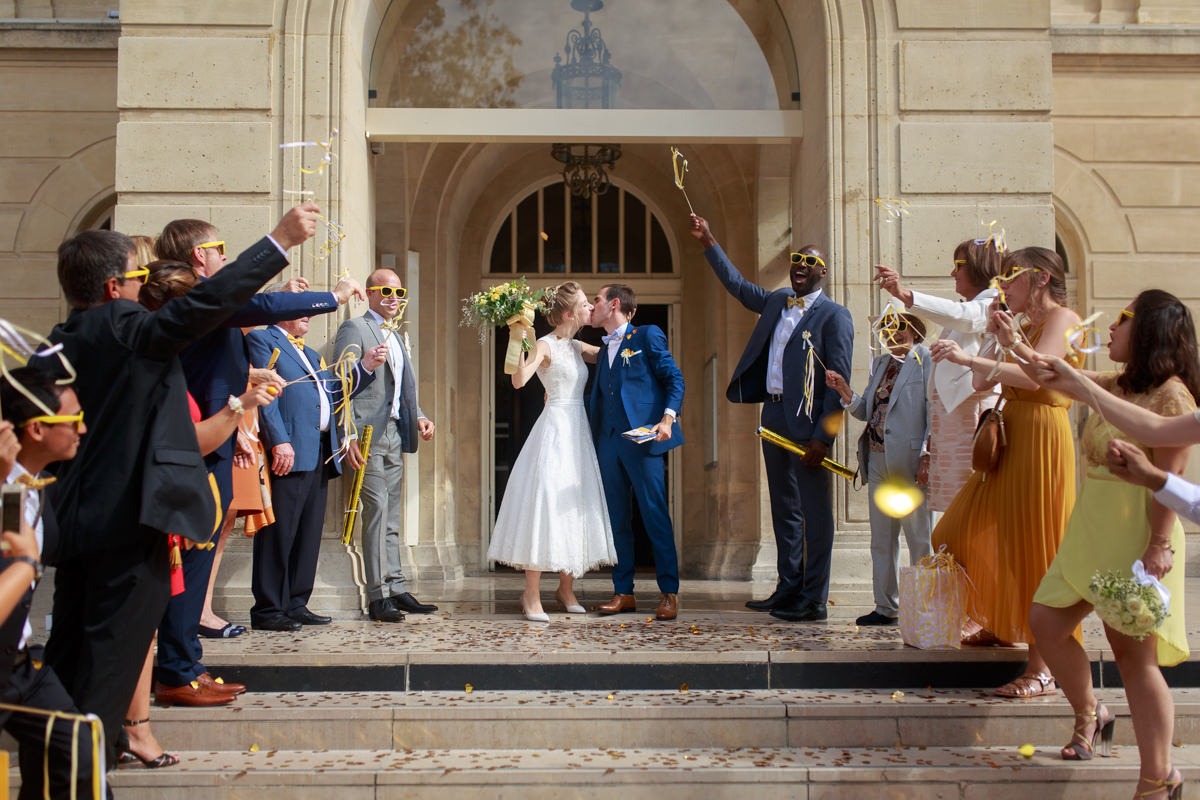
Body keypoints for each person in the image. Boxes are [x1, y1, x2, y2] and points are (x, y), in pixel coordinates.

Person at [43, 203, 319, 762]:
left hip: (77, 520)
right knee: (113, 655)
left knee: (72, 646)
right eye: (140, 276)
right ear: (115, 285)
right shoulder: (125, 328)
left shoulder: (63, 335)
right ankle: (82, 769)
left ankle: (81, 749)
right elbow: (210, 302)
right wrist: (280, 239)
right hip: (129, 521)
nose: (147, 285)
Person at [152, 218, 364, 704]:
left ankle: (185, 663)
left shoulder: (209, 302)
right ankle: (177, 670)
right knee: (189, 558)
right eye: (219, 247)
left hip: (219, 438)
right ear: (196, 256)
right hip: (197, 443)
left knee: (198, 559)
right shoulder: (198, 297)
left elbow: (250, 317)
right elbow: (262, 306)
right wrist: (330, 294)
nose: (225, 256)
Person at [1029, 291, 1197, 800]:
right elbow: (1050, 375)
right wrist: (1007, 342)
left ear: (1147, 331)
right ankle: (1090, 711)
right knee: (1046, 620)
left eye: (1122, 318)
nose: (1112, 326)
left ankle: (1157, 774)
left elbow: (1170, 477)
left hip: (1139, 530)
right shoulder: (1118, 383)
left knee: (1132, 657)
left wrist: (1158, 544)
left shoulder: (1172, 396)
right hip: (1092, 526)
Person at [928, 246, 1081, 697]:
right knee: (956, 531)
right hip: (1008, 437)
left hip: (1041, 438)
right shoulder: (1021, 324)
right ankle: (999, 620)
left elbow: (1036, 379)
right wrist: (995, 337)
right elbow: (981, 384)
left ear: (1042, 279)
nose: (1002, 285)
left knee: (1036, 545)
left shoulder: (1063, 320)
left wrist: (986, 352)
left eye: (1011, 276)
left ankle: (1042, 668)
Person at [689, 214, 853, 622]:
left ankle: (814, 599)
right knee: (784, 507)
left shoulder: (835, 316)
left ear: (823, 272)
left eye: (809, 261)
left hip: (808, 422)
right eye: (796, 258)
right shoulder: (779, 301)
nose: (800, 265)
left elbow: (839, 382)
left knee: (815, 511)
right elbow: (740, 288)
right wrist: (710, 241)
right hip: (774, 412)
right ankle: (788, 588)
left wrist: (824, 438)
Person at [487, 282, 617, 621]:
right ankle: (530, 593)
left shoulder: (576, 346)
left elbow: (608, 356)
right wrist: (517, 340)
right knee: (545, 503)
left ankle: (566, 588)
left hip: (578, 431)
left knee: (571, 504)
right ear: (570, 312)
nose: (591, 307)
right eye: (586, 304)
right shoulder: (544, 344)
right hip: (554, 429)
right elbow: (520, 381)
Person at [246, 316, 385, 631]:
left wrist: (365, 366)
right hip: (289, 451)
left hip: (320, 452)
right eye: (301, 309)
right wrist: (278, 440)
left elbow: (335, 393)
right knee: (279, 534)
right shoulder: (263, 339)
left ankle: (296, 603)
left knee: (307, 535)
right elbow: (263, 395)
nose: (308, 315)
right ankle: (268, 609)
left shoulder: (311, 354)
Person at [0, 367, 101, 798]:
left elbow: (10, 535)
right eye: (72, 419)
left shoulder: (27, 483)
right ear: (37, 428)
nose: (82, 427)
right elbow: (15, 558)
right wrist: (26, 563)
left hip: (20, 665)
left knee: (77, 744)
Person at [333, 268, 437, 622]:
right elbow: (340, 384)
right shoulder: (355, 328)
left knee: (392, 512)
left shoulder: (398, 335)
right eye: (386, 291)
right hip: (367, 435)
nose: (394, 297)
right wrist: (346, 435)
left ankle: (396, 585)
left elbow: (402, 386)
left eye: (399, 291)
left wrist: (419, 415)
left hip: (395, 432)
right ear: (370, 293)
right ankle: (377, 595)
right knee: (376, 510)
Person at [874, 238, 1004, 516]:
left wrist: (905, 295)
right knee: (952, 509)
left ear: (980, 267)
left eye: (958, 265)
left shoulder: (992, 303)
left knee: (969, 507)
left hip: (973, 417)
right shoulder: (975, 306)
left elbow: (963, 316)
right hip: (953, 421)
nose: (953, 273)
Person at [825, 304, 932, 626]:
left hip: (910, 461)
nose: (893, 333)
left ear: (913, 330)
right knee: (882, 539)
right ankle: (886, 607)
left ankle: (922, 609)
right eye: (886, 329)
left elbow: (935, 410)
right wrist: (844, 390)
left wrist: (928, 454)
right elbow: (865, 412)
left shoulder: (925, 359)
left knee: (918, 537)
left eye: (899, 327)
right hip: (877, 459)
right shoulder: (882, 363)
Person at [587, 283, 685, 621]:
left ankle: (668, 592)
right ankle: (623, 592)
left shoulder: (646, 336)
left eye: (596, 300)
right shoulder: (603, 349)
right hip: (609, 441)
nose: (592, 304)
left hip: (643, 440)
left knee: (654, 514)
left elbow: (675, 379)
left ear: (614, 304)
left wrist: (667, 419)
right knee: (616, 520)